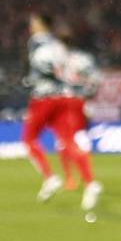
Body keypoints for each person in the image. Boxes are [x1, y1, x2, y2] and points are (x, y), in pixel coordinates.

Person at [22, 13, 80, 202]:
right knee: (65, 139)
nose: (31, 26)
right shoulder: (58, 44)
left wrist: (29, 81)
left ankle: (50, 177)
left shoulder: (37, 42)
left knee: (29, 140)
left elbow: (40, 68)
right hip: (61, 96)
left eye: (33, 22)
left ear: (41, 24)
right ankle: (82, 178)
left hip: (43, 97)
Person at [59, 40, 104, 213]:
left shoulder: (79, 60)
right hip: (69, 104)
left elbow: (94, 79)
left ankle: (83, 180)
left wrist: (86, 95)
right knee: (68, 142)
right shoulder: (67, 61)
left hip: (77, 104)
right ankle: (74, 179)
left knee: (74, 141)